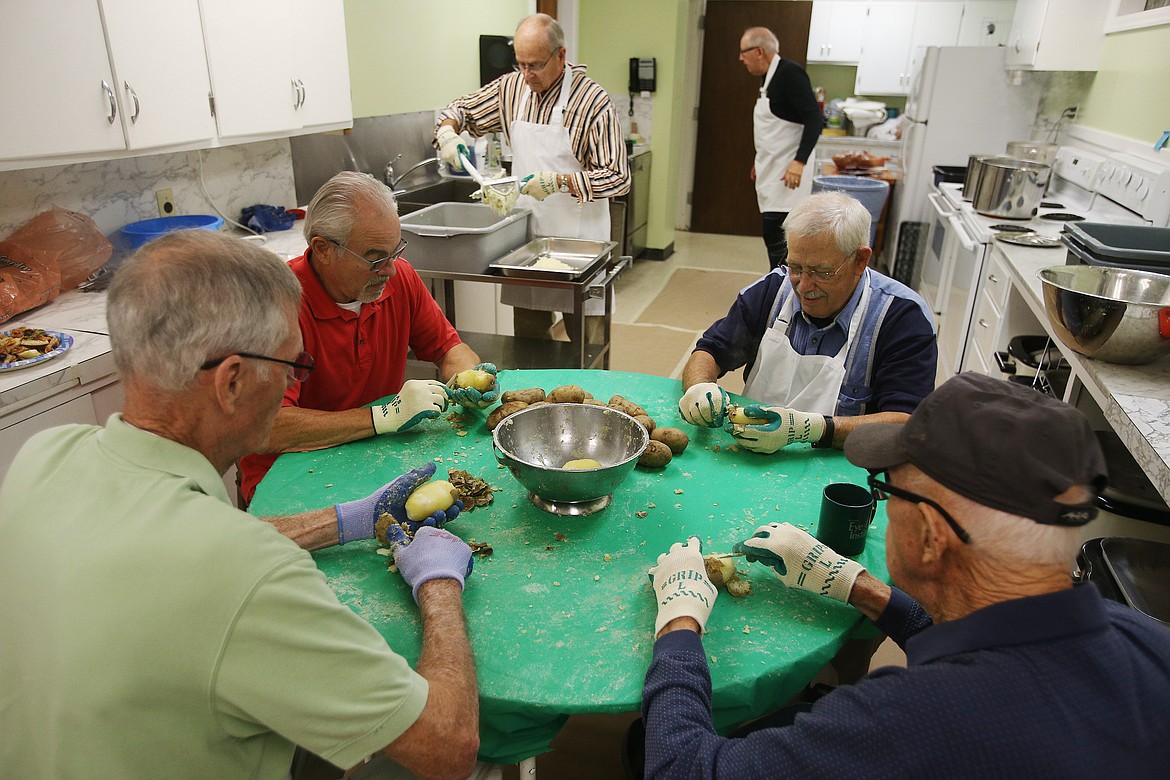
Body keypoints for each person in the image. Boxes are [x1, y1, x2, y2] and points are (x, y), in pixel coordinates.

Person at [0, 230, 482, 780]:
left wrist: (344, 520)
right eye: (290, 367)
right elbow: (447, 744)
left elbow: (171, 562)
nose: (289, 385)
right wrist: (439, 587)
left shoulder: (45, 455)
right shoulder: (250, 575)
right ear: (231, 382)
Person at [641, 372, 1170, 778]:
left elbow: (683, 770)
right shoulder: (1147, 640)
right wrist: (861, 588)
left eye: (888, 491)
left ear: (932, 536)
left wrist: (679, 621)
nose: (884, 507)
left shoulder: (904, 721)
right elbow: (994, 652)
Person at [238, 171, 498, 503]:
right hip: (291, 476)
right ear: (323, 249)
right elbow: (267, 427)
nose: (390, 269)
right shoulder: (277, 304)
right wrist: (383, 416)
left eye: (396, 251)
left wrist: (464, 380)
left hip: (374, 456)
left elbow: (449, 348)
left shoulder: (397, 278)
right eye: (376, 258)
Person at [678, 191, 936, 453]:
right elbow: (710, 350)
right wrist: (700, 387)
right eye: (796, 267)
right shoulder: (771, 292)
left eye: (821, 272)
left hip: (840, 470)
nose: (804, 286)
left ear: (860, 260)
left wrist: (812, 429)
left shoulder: (901, 318)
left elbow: (905, 424)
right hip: (751, 458)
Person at [435, 12, 630, 346]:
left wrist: (559, 182)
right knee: (528, 342)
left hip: (578, 246)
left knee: (588, 346)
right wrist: (448, 131)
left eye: (536, 65)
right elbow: (461, 109)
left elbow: (618, 177)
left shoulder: (591, 102)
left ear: (561, 55)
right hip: (527, 246)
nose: (527, 75)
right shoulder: (511, 90)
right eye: (520, 64)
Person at [738, 26, 823, 270]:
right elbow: (777, 128)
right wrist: (760, 160)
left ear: (759, 51)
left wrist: (800, 162)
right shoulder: (768, 79)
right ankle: (779, 287)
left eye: (743, 52)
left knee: (779, 237)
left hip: (788, 174)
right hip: (772, 168)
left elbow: (814, 119)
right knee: (773, 234)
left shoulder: (789, 74)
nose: (740, 58)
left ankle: (784, 289)